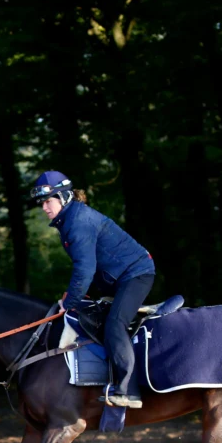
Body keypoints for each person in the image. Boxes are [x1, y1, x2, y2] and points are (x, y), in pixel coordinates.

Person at [31, 171, 155, 408]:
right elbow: (87, 266)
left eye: (48, 201)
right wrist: (76, 295)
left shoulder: (77, 222)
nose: (44, 207)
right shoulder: (69, 219)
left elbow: (85, 269)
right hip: (115, 278)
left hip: (136, 274)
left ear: (64, 197)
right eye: (42, 203)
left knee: (114, 323)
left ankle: (129, 392)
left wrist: (68, 302)